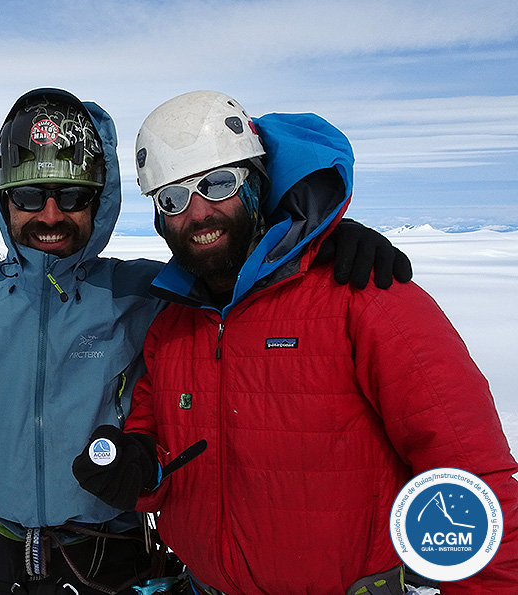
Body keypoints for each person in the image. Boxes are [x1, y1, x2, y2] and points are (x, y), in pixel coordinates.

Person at [0, 88, 410, 595]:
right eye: (30, 195)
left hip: (111, 565)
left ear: (99, 202)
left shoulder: (151, 293)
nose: (50, 215)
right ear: (4, 199)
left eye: (72, 196)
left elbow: (241, 277)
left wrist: (320, 238)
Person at [72, 90, 518, 595]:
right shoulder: (172, 326)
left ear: (256, 186)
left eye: (217, 184)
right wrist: (139, 468)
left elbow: (470, 477)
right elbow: (160, 444)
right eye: (172, 199)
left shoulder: (364, 298)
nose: (197, 214)